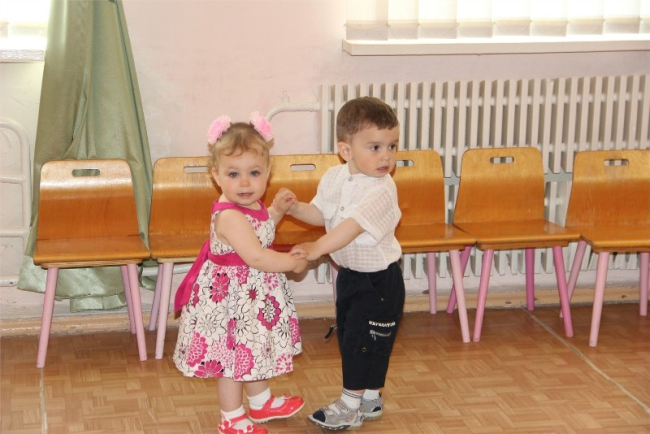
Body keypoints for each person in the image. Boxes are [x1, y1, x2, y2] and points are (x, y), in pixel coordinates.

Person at [274, 96, 406, 431]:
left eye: (392, 146)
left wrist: (317, 248)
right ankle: (370, 398)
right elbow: (322, 214)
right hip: (350, 276)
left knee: (363, 341)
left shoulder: (382, 189)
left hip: (379, 281)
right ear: (346, 150)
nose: (386, 156)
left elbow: (351, 228)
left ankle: (350, 406)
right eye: (375, 147)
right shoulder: (334, 176)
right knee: (355, 336)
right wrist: (295, 208)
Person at [173, 112, 308, 434]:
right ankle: (231, 417)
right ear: (216, 175)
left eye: (254, 173)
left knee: (253, 348)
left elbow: (260, 229)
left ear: (267, 173)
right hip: (231, 302)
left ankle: (260, 403)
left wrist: (276, 211)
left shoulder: (251, 206)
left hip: (250, 297)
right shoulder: (230, 216)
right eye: (234, 173)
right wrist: (291, 262)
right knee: (232, 360)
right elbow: (257, 256)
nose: (245, 182)